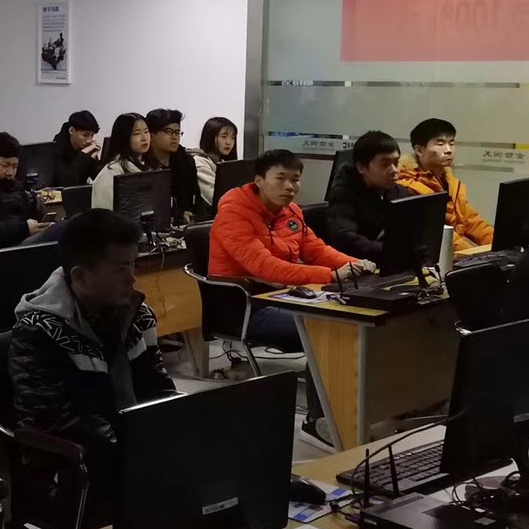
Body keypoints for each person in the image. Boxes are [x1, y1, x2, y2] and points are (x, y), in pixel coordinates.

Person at [8, 209, 176, 518]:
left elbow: (156, 383)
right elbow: (61, 421)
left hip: (133, 449)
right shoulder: (38, 331)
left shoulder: (136, 313)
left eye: (133, 265)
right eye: (121, 269)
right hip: (74, 467)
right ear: (80, 277)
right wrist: (140, 450)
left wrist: (181, 425)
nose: (132, 278)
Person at [211, 150, 375, 447]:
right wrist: (332, 276)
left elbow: (317, 250)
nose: (290, 187)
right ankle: (316, 422)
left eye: (295, 179)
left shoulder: (291, 212)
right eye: (281, 179)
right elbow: (264, 267)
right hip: (247, 306)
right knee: (328, 328)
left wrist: (356, 265)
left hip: (287, 296)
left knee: (353, 320)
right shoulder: (233, 214)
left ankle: (353, 412)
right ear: (259, 180)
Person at [398, 118, 494, 251]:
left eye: (451, 143)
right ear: (419, 150)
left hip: (452, 254)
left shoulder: (451, 182)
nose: (448, 150)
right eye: (440, 144)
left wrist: (501, 242)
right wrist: (471, 254)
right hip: (431, 257)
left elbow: (472, 221)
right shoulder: (407, 186)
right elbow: (439, 232)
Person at [326, 130, 410, 261]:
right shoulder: (343, 194)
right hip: (358, 265)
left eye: (396, 162)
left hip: (391, 262)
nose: (394, 170)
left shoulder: (399, 192)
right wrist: (391, 251)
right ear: (362, 168)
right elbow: (345, 239)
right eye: (385, 164)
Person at [146, 108, 203, 223]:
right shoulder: (143, 164)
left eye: (177, 132)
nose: (174, 137)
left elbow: (195, 197)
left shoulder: (186, 161)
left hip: (185, 224)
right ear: (152, 135)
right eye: (168, 132)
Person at [91, 113, 155, 211]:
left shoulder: (150, 166)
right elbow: (105, 214)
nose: (144, 138)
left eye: (146, 132)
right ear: (123, 138)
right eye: (136, 134)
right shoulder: (112, 172)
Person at [190, 117, 238, 207]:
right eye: (224, 137)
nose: (229, 142)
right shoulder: (200, 162)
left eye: (232, 137)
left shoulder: (222, 162)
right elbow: (216, 197)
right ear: (210, 137)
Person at [47, 111, 102, 189]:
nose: (89, 140)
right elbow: (67, 184)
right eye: (85, 135)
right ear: (71, 130)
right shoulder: (57, 149)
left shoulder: (86, 148)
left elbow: (100, 179)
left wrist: (93, 158)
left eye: (92, 135)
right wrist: (82, 155)